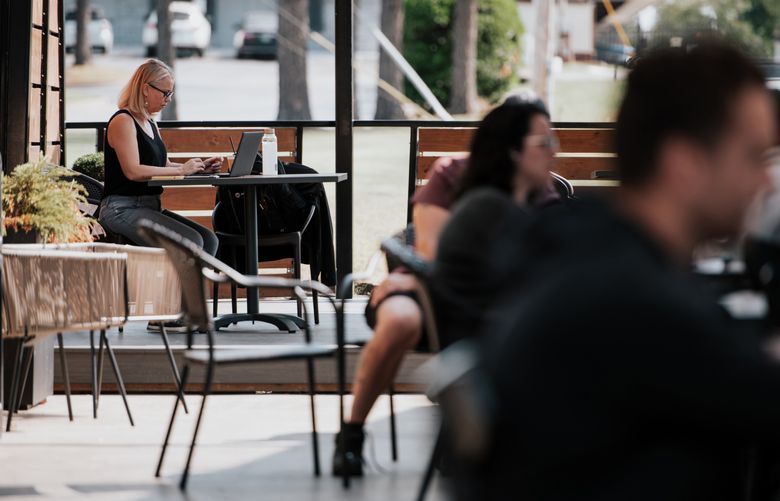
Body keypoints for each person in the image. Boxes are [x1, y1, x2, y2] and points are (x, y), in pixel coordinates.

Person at [458, 41, 780, 501]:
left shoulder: (577, 247)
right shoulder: (630, 301)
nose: (768, 179)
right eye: (753, 155)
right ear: (684, 163)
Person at [333, 96, 562, 476]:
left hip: (492, 298)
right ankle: (353, 432)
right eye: (544, 143)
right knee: (401, 321)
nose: (554, 152)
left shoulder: (543, 194)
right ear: (510, 149)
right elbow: (431, 253)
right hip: (422, 284)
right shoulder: (453, 173)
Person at [98, 59, 221, 332]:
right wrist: (182, 171)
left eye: (171, 93)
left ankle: (186, 311)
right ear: (144, 88)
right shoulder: (122, 121)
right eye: (164, 92)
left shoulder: (150, 123)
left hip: (148, 207)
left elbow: (161, 165)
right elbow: (132, 170)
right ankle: (166, 314)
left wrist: (194, 168)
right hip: (121, 208)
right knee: (189, 241)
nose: (168, 99)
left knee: (208, 240)